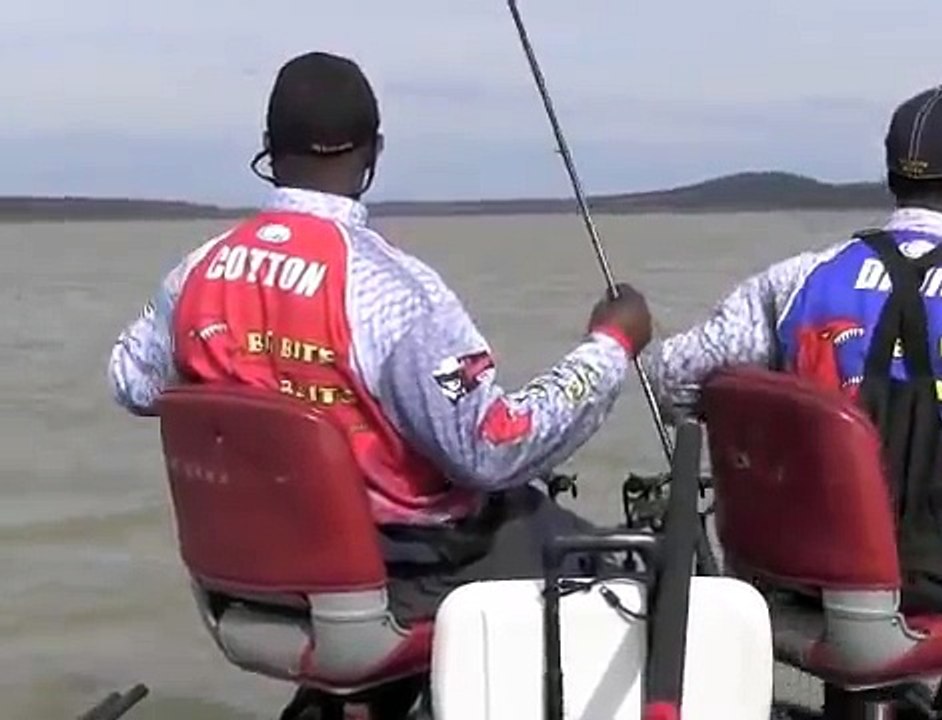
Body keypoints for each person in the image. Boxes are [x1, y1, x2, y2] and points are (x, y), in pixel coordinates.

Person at [106, 51, 651, 718]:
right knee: (637, 574)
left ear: (268, 152)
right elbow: (494, 448)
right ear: (373, 154)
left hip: (249, 576)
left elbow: (131, 381)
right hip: (396, 573)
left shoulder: (195, 272)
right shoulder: (397, 296)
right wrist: (610, 346)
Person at [640, 85, 942, 718]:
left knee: (849, 568)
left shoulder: (796, 281)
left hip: (794, 574)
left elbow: (669, 379)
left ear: (893, 177)